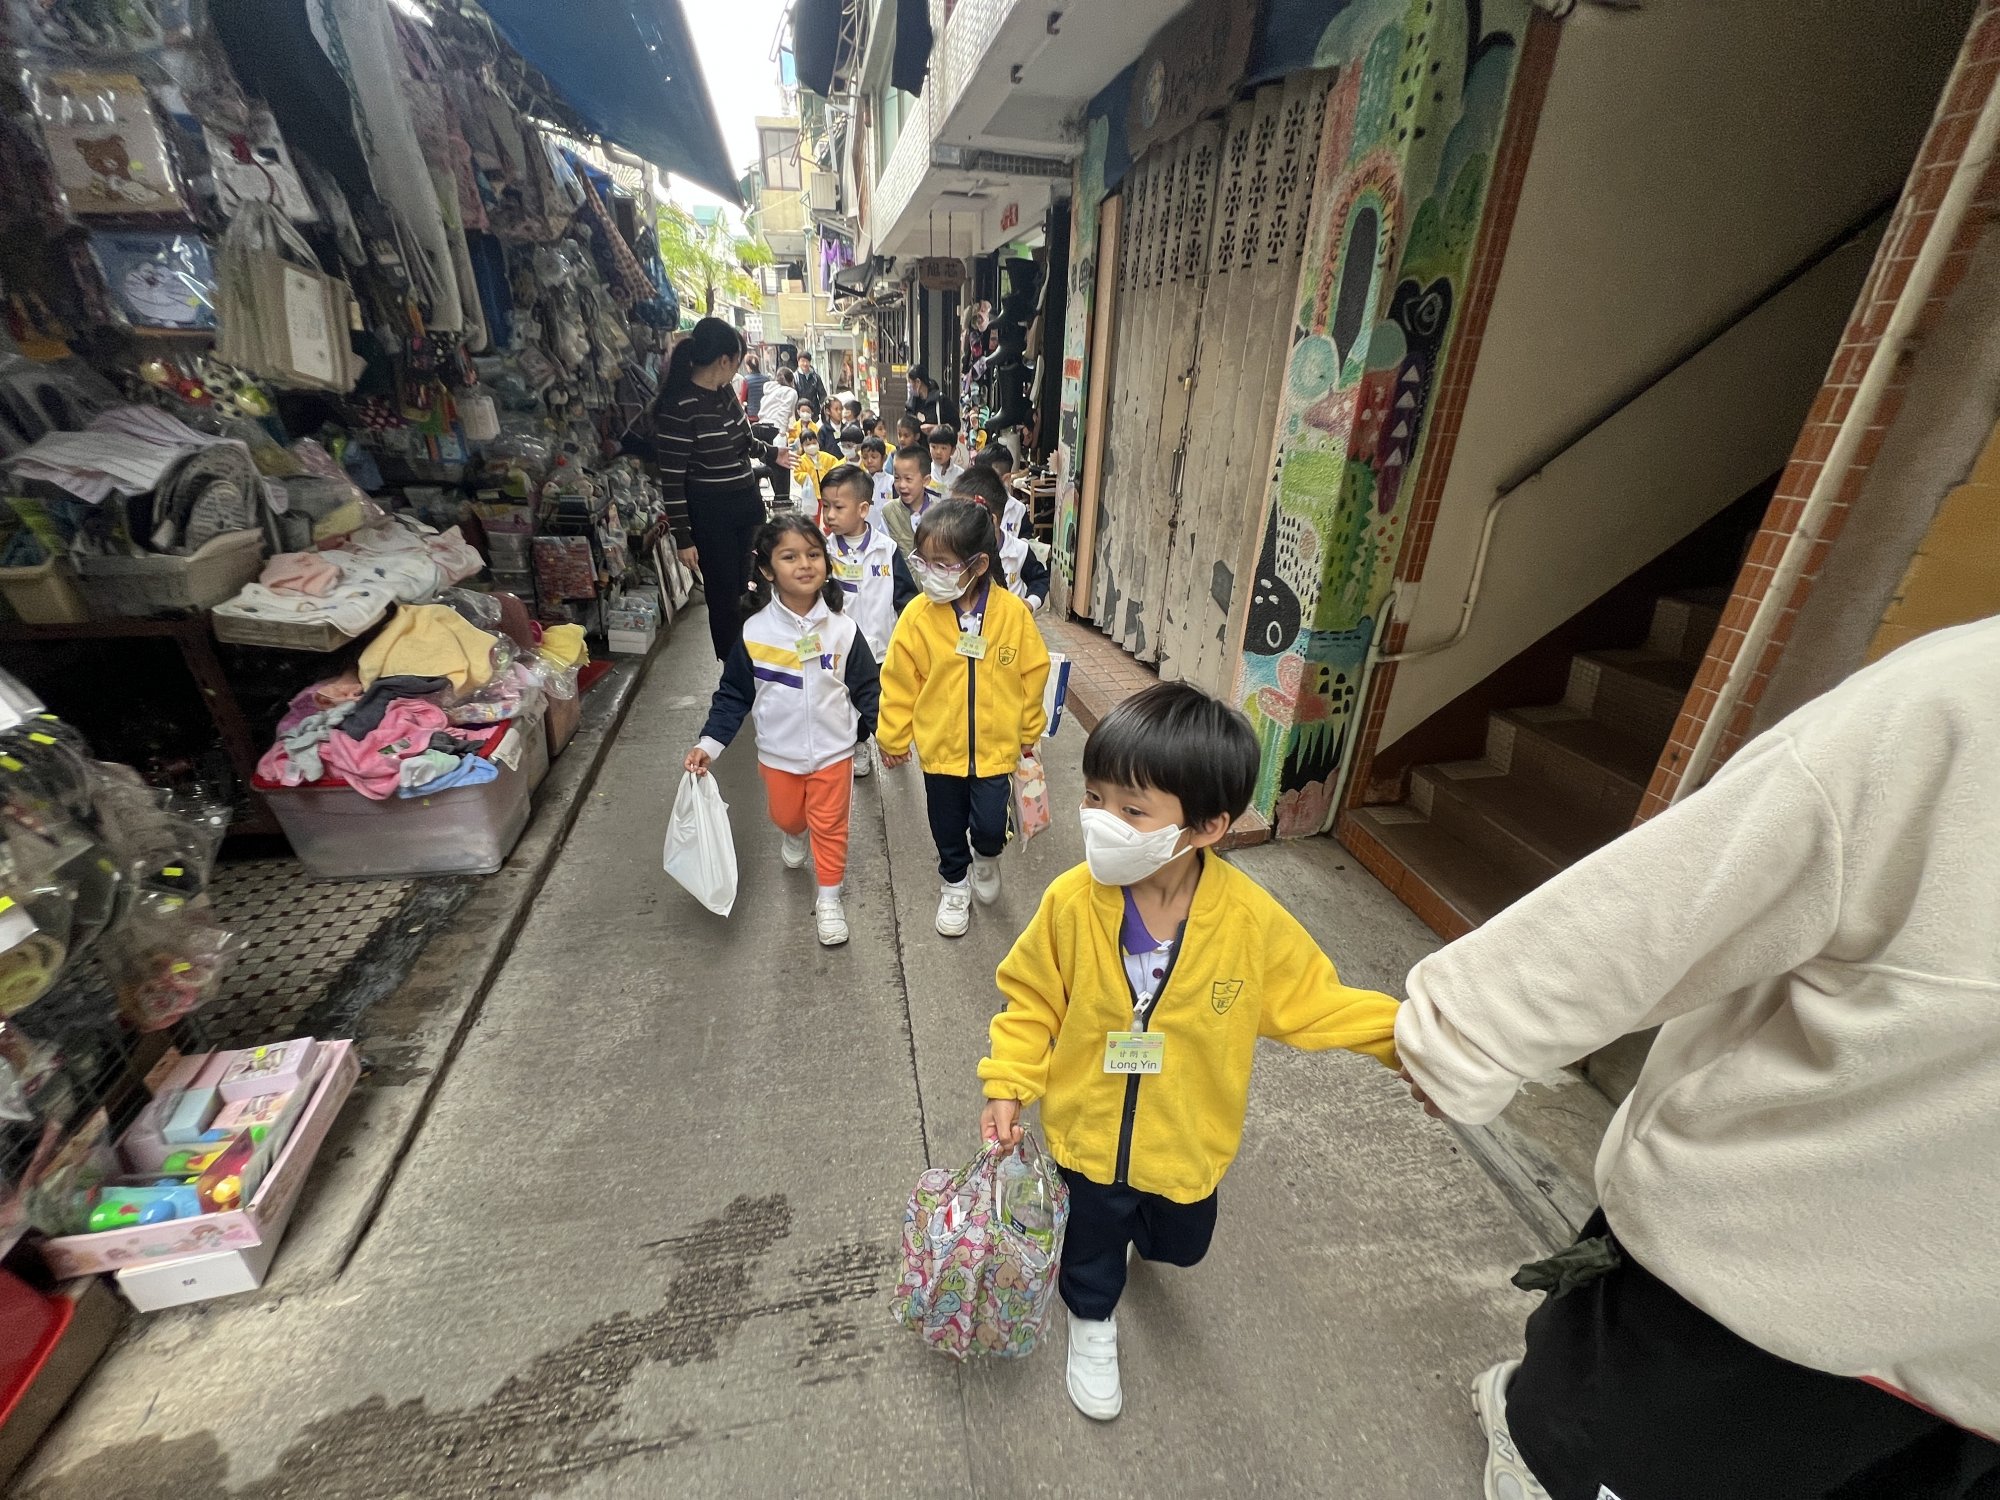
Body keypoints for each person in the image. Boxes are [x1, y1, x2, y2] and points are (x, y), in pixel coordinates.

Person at [1394, 616, 2000, 1500]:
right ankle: (1535, 1444)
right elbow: (1695, 882)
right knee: (1588, 1452)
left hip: (1954, 1367)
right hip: (1758, 1269)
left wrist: (1465, 1033)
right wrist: (1469, 1032)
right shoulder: (1959, 703)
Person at [978, 681, 1401, 1421]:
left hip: (1187, 1136)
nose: (1101, 821)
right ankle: (1091, 1318)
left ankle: (1136, 1239)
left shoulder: (1248, 922)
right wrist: (1008, 1081)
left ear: (1206, 826)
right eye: (1094, 797)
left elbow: (1317, 1000)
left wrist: (1412, 1039)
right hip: (1089, 1132)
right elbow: (1032, 1000)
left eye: (1132, 810)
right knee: (1093, 1240)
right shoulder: (1072, 902)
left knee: (1180, 1244)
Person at [683, 515, 880, 948]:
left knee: (831, 827)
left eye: (813, 554)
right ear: (767, 570)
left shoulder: (843, 630)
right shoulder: (755, 633)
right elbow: (733, 695)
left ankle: (829, 899)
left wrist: (887, 734)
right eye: (790, 557)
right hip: (778, 754)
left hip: (834, 752)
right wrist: (709, 744)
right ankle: (794, 832)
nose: (805, 564)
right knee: (788, 815)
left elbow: (868, 688)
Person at [876, 500, 1049, 938]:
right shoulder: (918, 617)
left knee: (990, 825)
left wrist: (1029, 731)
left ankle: (986, 858)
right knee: (947, 826)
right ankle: (954, 883)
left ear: (979, 564)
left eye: (943, 564)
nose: (930, 574)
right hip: (941, 750)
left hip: (996, 749)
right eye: (924, 562)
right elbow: (899, 680)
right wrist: (893, 736)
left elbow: (1033, 672)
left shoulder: (1012, 615)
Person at [631, 318, 794, 663]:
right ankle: (733, 666)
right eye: (737, 361)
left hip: (746, 504)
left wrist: (771, 454)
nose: (737, 369)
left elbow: (743, 440)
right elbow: (672, 480)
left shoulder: (724, 393)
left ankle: (760, 656)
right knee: (724, 596)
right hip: (712, 515)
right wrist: (683, 537)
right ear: (724, 360)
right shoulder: (678, 408)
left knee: (756, 581)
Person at [819, 463, 917, 781]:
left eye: (838, 507)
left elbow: (905, 597)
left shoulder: (886, 549)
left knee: (882, 697)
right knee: (847, 699)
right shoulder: (822, 553)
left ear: (863, 509)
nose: (829, 515)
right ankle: (858, 744)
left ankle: (891, 739)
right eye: (825, 506)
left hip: (882, 645)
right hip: (842, 649)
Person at [952, 465, 1047, 609]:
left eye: (963, 516)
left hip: (1008, 619)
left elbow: (1039, 579)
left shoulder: (1019, 550)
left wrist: (1030, 603)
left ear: (991, 520)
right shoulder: (954, 551)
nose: (954, 522)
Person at [879, 442, 940, 558]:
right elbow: (884, 553)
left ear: (925, 480)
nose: (902, 485)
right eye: (897, 478)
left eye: (908, 479)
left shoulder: (939, 512)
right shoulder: (888, 512)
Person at [757, 367, 800, 510]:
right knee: (782, 469)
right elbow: (783, 412)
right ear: (791, 380)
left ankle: (777, 500)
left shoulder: (769, 390)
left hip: (760, 429)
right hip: (775, 431)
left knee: (770, 466)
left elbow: (768, 412)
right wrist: (782, 433)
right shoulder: (790, 392)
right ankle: (782, 503)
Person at [972, 446, 1028, 539]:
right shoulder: (970, 505)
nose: (980, 480)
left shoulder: (1019, 510)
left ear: (1005, 478)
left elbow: (1026, 541)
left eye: (987, 477)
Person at [792, 425, 839, 525]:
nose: (812, 446)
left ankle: (829, 530)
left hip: (827, 492)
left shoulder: (826, 457)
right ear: (802, 446)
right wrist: (806, 477)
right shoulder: (801, 460)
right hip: (812, 494)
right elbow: (797, 474)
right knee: (813, 516)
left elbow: (836, 466)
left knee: (829, 514)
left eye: (814, 443)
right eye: (808, 444)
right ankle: (814, 530)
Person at [928, 425, 965, 490]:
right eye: (934, 447)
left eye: (943, 448)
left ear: (953, 450)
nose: (938, 452)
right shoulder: (924, 472)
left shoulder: (960, 474)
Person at [859, 436, 893, 506]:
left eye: (874, 457)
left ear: (884, 458)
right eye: (865, 457)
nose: (869, 461)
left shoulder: (891, 482)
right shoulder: (859, 481)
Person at [906, 367, 942, 431]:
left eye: (909, 381)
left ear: (918, 382)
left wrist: (935, 428)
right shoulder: (910, 404)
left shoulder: (939, 400)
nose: (908, 385)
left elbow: (954, 425)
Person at [741, 354, 766, 424]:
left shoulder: (746, 380)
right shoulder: (766, 379)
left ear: (748, 366)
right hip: (765, 413)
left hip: (752, 415)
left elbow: (742, 399)